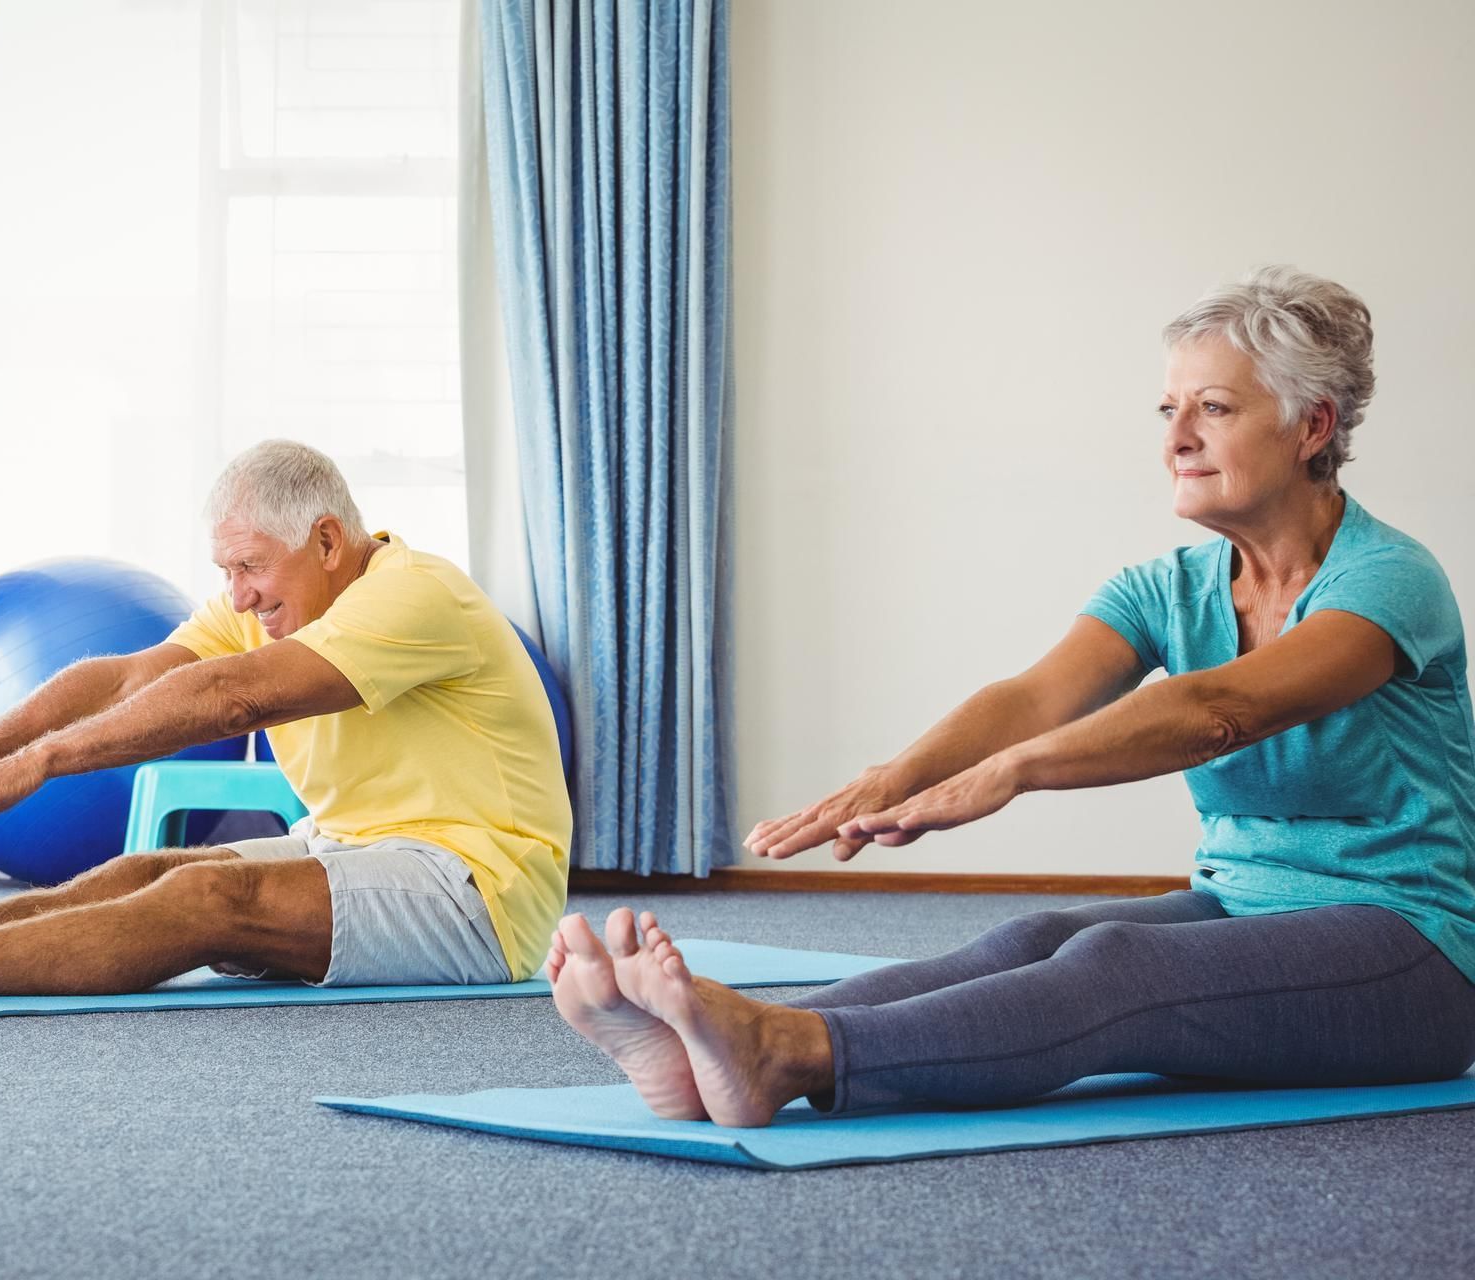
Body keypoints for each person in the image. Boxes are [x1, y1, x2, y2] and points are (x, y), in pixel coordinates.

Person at [548, 266, 1475, 1126]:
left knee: (1117, 968)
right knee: (1034, 936)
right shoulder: (1171, 586)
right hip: (1240, 902)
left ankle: (789, 1055)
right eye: (1168, 408)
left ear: (1313, 426)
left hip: (1413, 954)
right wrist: (897, 777)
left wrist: (1017, 774)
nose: (1176, 439)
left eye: (1214, 408)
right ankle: (706, 1041)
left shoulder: (1388, 580)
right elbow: (1035, 696)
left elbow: (1222, 709)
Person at [0, 441, 572, 999]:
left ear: (328, 541)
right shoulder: (265, 607)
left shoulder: (414, 593)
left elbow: (233, 698)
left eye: (252, 566)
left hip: (480, 894)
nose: (239, 594)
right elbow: (129, 677)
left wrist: (35, 767)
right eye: (228, 571)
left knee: (210, 896)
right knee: (142, 871)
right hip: (358, 847)